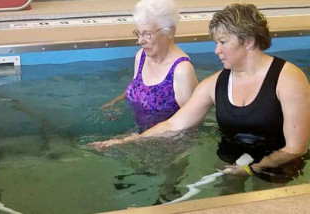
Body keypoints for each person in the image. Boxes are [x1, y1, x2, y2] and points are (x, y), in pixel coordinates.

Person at [91, 4, 310, 183]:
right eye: (216, 43)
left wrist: (253, 169)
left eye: (223, 42)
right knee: (227, 200)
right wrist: (128, 141)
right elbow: (174, 124)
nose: (216, 50)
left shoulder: (289, 79)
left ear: (249, 41)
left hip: (276, 163)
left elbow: (295, 147)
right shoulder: (214, 84)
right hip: (229, 158)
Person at [101, 0, 198, 132]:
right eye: (139, 33)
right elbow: (136, 89)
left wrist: (134, 140)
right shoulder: (141, 56)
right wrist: (114, 103)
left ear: (169, 32)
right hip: (136, 132)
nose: (140, 41)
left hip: (166, 144)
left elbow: (191, 125)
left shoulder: (181, 70)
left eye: (147, 34)